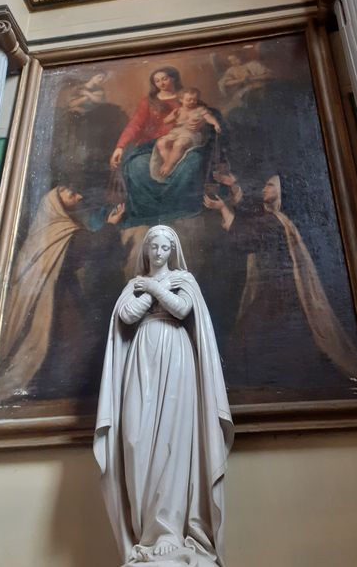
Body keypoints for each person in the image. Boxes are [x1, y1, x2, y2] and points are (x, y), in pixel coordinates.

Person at [94, 225, 233, 566]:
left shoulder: (183, 279)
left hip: (176, 357)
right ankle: (145, 534)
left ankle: (169, 531)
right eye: (153, 247)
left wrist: (153, 287)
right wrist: (151, 290)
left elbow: (183, 310)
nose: (158, 253)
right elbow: (126, 315)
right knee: (135, 440)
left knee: (172, 442)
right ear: (146, 250)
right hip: (141, 357)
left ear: (173, 250)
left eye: (164, 247)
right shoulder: (133, 287)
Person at [204, 175, 357, 397]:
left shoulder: (275, 221)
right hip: (276, 291)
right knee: (261, 341)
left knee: (247, 340)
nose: (264, 188)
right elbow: (251, 215)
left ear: (280, 192)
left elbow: (245, 238)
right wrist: (232, 187)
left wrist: (223, 209)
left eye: (269, 185)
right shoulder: (275, 218)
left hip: (278, 292)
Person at [0, 186, 125, 401]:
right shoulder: (56, 232)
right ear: (55, 202)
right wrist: (110, 227)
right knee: (73, 344)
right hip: (54, 304)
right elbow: (90, 246)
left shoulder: (43, 234)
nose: (80, 195)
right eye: (72, 193)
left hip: (61, 296)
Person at [108, 67, 216, 226]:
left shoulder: (188, 97)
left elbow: (208, 115)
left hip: (186, 142)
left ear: (174, 78)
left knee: (194, 160)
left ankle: (180, 210)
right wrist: (120, 146)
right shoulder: (149, 101)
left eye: (165, 78)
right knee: (137, 165)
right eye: (157, 81)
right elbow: (134, 125)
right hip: (153, 145)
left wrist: (202, 123)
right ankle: (148, 213)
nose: (161, 83)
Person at [151, 87, 222, 180]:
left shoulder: (200, 109)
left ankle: (168, 166)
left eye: (195, 100)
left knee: (179, 143)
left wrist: (216, 124)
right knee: (161, 143)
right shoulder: (178, 110)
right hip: (176, 132)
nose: (192, 102)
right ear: (181, 100)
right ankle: (170, 165)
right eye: (189, 100)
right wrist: (172, 117)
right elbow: (165, 121)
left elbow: (209, 117)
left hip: (191, 134)